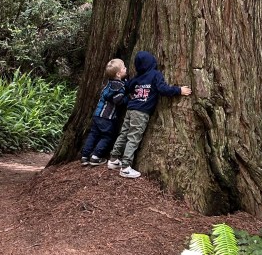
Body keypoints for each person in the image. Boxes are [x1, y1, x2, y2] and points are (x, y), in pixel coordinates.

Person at [107, 50, 191, 178]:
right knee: (133, 138)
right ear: (152, 61)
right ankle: (125, 167)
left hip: (130, 109)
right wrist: (178, 90)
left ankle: (113, 159)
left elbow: (128, 87)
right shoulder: (155, 75)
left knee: (124, 134)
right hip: (141, 112)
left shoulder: (136, 78)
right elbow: (163, 89)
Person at [80, 58, 128, 166]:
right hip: (107, 117)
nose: (126, 68)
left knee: (93, 134)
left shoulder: (109, 83)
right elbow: (118, 101)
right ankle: (95, 157)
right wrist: (128, 98)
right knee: (107, 136)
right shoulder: (119, 87)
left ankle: (85, 156)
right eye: (124, 67)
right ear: (118, 73)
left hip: (97, 115)